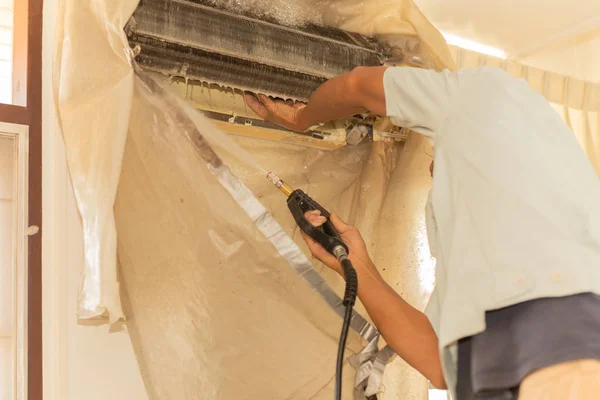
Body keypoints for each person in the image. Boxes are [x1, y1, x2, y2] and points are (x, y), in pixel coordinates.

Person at [245, 66, 600, 399]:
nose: (431, 165)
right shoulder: (488, 252)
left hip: (555, 347)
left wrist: (300, 117)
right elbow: (438, 360)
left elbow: (360, 86)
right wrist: (358, 266)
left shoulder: (485, 91)